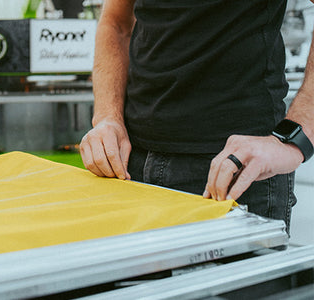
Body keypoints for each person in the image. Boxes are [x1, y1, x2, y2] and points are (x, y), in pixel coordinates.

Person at [79, 0, 314, 231]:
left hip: (233, 169)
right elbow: (116, 23)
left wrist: (294, 139)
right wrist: (107, 117)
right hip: (131, 164)